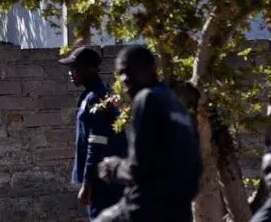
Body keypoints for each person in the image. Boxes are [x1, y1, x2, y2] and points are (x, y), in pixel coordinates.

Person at [95, 45, 201, 222]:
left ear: (150, 69)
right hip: (179, 211)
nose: (124, 78)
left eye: (130, 71)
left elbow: (136, 168)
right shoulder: (175, 103)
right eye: (121, 72)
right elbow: (196, 167)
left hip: (144, 209)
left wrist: (111, 167)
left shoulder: (147, 98)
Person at [59, 47, 126, 219]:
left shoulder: (98, 98)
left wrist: (88, 183)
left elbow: (96, 143)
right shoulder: (88, 97)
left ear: (89, 69)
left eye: (74, 68)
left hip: (103, 180)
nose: (70, 73)